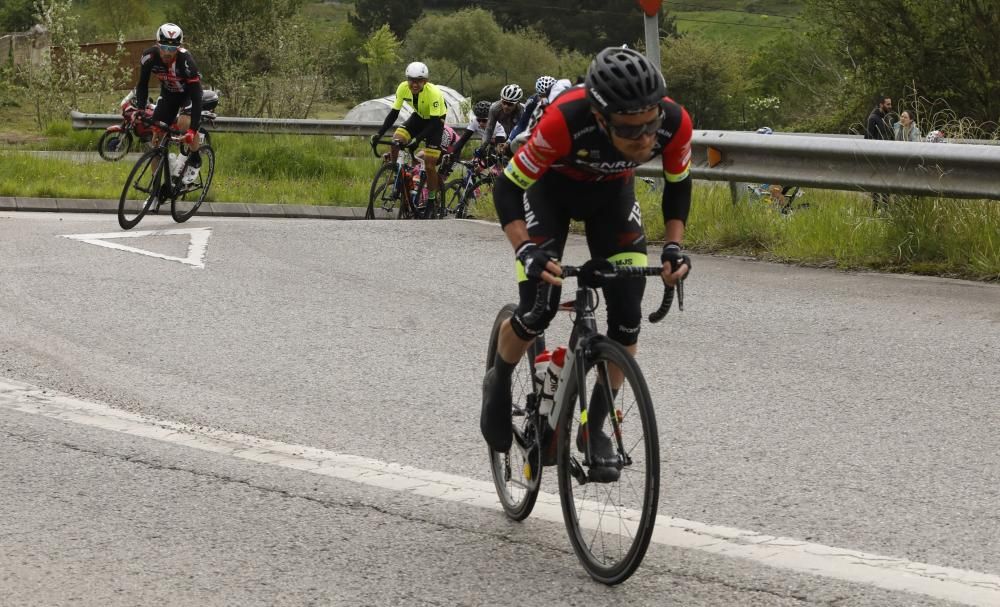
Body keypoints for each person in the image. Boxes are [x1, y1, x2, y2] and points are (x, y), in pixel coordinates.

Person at [480, 47, 693, 480]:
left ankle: (594, 426)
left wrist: (673, 248)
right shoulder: (565, 120)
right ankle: (498, 382)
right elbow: (507, 187)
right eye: (631, 130)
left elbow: (678, 184)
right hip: (548, 193)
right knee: (539, 308)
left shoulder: (675, 121)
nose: (646, 139)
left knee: (628, 316)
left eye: (651, 125)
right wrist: (525, 248)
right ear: (600, 118)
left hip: (611, 199)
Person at [371, 61, 448, 214]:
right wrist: (379, 133)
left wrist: (417, 140)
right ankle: (397, 176)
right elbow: (394, 113)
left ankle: (432, 198)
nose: (414, 84)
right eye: (411, 80)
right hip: (418, 117)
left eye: (418, 81)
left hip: (435, 122)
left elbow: (433, 124)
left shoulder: (433, 93)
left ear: (425, 81)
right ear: (407, 79)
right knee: (396, 140)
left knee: (430, 165)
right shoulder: (402, 88)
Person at [135, 23, 203, 188]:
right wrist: (141, 109)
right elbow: (142, 85)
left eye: (172, 49)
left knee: (183, 123)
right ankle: (156, 189)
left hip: (187, 95)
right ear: (157, 43)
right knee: (156, 140)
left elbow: (197, 96)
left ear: (179, 48)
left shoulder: (186, 61)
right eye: (164, 47)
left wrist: (192, 130)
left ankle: (195, 157)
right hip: (168, 95)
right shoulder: (148, 57)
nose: (167, 52)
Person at [478, 84, 524, 159]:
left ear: (517, 103)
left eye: (510, 104)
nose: (506, 106)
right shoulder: (494, 109)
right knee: (499, 154)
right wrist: (482, 147)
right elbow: (489, 130)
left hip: (520, 138)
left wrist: (508, 143)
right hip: (508, 136)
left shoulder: (522, 111)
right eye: (504, 102)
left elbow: (522, 132)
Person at [864, 94, 893, 210]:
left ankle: (885, 206)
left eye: (891, 104)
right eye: (888, 104)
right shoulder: (873, 118)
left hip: (887, 155)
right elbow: (868, 137)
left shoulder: (888, 117)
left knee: (886, 181)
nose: (890, 106)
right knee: (876, 181)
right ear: (881, 104)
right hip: (876, 155)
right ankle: (875, 206)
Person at [508, 75, 557, 143]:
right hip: (537, 132)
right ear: (537, 94)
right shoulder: (532, 101)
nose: (545, 99)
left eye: (548, 96)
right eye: (542, 96)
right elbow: (522, 123)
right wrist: (509, 141)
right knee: (515, 141)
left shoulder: (561, 99)